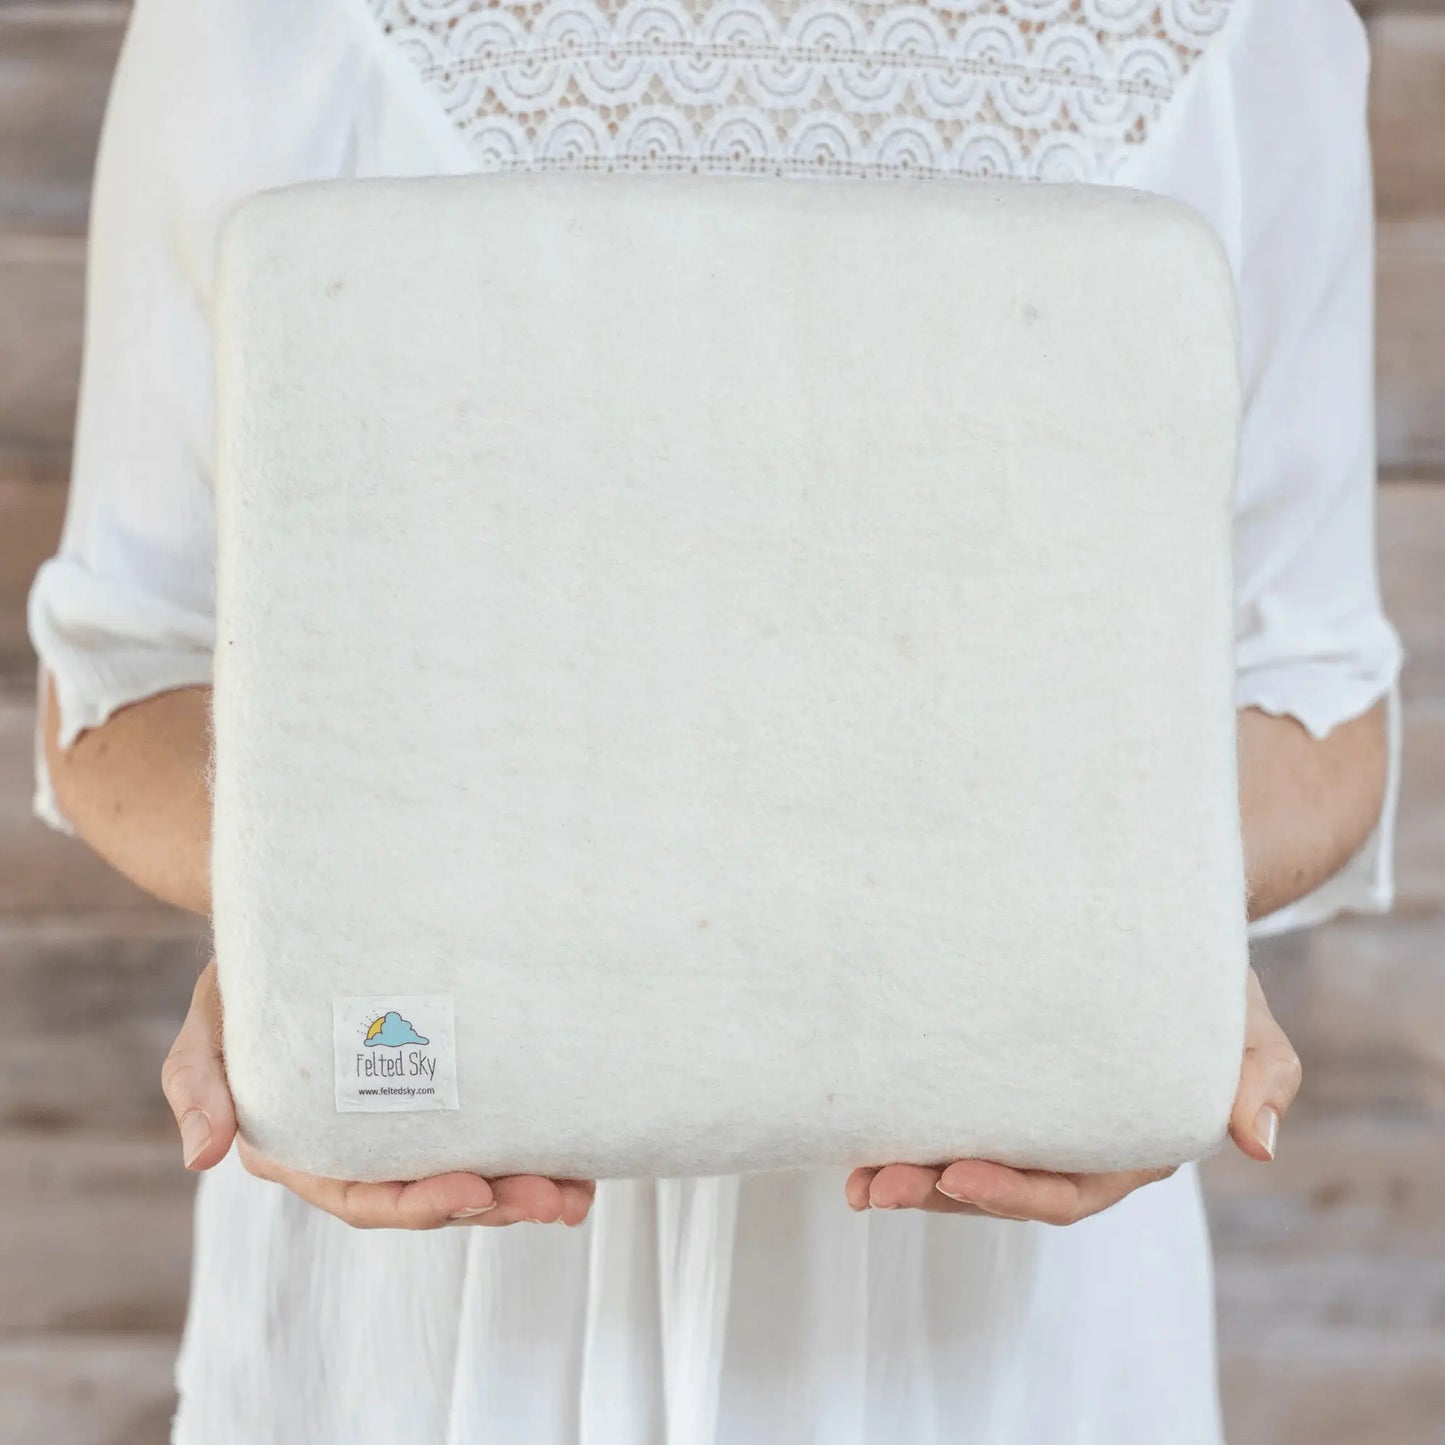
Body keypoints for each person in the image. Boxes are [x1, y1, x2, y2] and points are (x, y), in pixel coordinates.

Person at [28, 0, 1403, 1439]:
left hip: (989, 1312)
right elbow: (118, 673)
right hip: (435, 1291)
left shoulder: (1242, 29)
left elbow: (1312, 697)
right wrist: (305, 921)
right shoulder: (264, 23)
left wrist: (1135, 955)